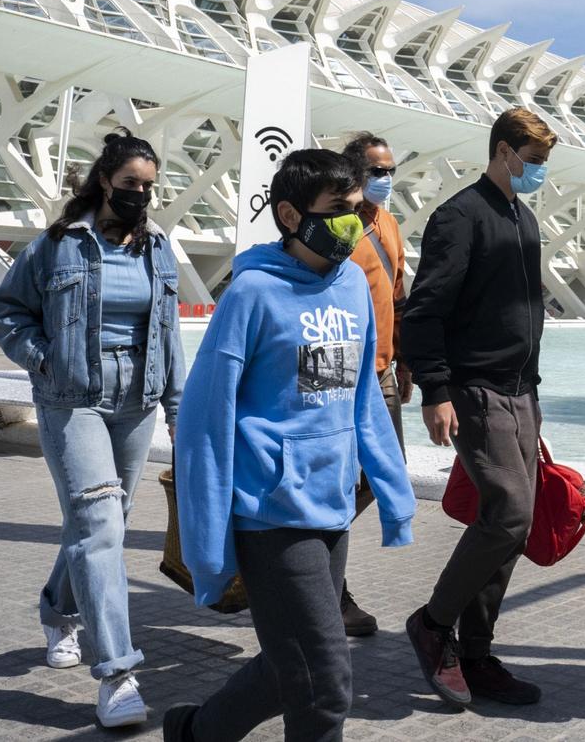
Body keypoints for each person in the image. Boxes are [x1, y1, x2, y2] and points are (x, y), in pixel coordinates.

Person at [163, 148, 414, 742]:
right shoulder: (250, 294)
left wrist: (392, 490)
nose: (352, 222)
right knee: (326, 681)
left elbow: (359, 398)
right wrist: (208, 546)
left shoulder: (353, 284)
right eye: (337, 210)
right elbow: (205, 420)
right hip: (270, 513)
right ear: (290, 215)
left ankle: (195, 732)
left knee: (290, 666)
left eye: (356, 209)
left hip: (331, 503)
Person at [0, 128, 185, 730]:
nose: (141, 196)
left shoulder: (158, 249)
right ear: (104, 180)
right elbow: (6, 309)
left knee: (102, 522)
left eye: (149, 187)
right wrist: (41, 355)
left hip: (136, 403)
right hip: (72, 401)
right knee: (100, 524)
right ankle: (118, 676)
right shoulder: (56, 245)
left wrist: (180, 413)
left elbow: (170, 336)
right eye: (130, 184)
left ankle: (57, 610)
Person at [398, 107, 557, 711]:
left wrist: (533, 388)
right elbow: (427, 309)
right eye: (533, 161)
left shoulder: (523, 217)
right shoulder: (459, 216)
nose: (538, 172)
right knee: (511, 515)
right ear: (503, 152)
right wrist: (437, 390)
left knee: (508, 523)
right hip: (474, 389)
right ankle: (434, 625)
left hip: (520, 390)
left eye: (543, 163)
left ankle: (478, 653)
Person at [338, 131, 411, 636]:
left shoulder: (387, 222)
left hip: (382, 370)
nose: (385, 179)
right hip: (340, 371)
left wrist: (406, 364)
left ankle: (312, 564)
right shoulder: (337, 225)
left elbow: (399, 295)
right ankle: (327, 588)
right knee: (336, 479)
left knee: (387, 473)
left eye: (389, 170)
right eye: (376, 171)